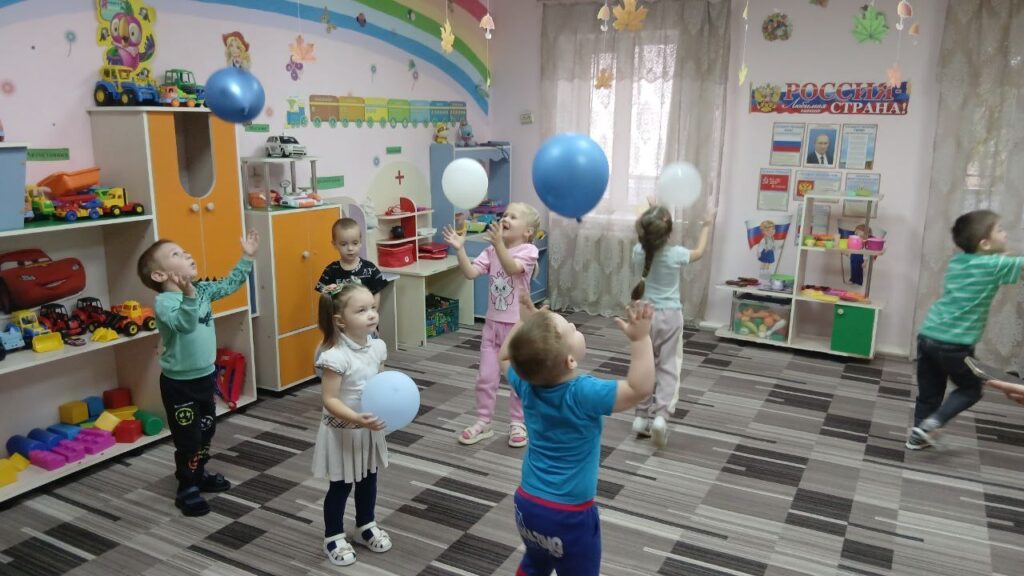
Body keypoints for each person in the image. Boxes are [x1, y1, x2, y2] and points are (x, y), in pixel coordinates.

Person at [500, 292, 654, 575]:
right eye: (571, 328)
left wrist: (524, 324)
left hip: (528, 504)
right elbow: (639, 389)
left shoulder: (526, 385)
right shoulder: (583, 393)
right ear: (570, 361)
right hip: (569, 515)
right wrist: (640, 339)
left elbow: (505, 356)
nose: (574, 326)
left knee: (536, 562)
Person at [136, 229, 259, 516]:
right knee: (188, 439)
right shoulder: (165, 303)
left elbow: (229, 284)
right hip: (179, 386)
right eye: (176, 254)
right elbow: (184, 324)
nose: (187, 254)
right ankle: (186, 487)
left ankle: (198, 473)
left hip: (205, 377)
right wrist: (190, 296)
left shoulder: (201, 290)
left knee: (205, 430)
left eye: (184, 250)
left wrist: (247, 257)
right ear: (160, 275)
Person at [907, 210, 1024, 449]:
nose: (1006, 234)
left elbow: (988, 263)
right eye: (1000, 230)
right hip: (955, 344)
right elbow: (1013, 264)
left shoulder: (958, 262)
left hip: (928, 335)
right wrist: (1004, 257)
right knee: (970, 389)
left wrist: (1000, 254)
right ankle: (934, 423)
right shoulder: (995, 264)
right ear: (985, 243)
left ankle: (918, 435)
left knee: (930, 392)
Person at [442, 202, 541, 447]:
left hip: (518, 328)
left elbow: (511, 268)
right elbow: (470, 273)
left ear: (528, 231)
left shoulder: (529, 251)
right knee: (485, 377)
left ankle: (518, 422)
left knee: (518, 379)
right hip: (492, 326)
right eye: (504, 215)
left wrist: (498, 246)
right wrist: (460, 250)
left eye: (513, 217)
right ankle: (484, 421)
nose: (505, 218)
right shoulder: (491, 250)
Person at [313, 282, 393, 566]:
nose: (371, 314)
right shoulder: (334, 356)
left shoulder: (377, 347)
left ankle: (365, 524)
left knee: (369, 479)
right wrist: (356, 418)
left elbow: (380, 383)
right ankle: (333, 536)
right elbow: (330, 399)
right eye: (361, 310)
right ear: (340, 321)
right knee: (341, 485)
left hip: (368, 429)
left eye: (373, 307)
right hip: (342, 431)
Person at [630, 203, 714, 447]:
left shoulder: (638, 251)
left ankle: (640, 417)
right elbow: (699, 251)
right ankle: (661, 417)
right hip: (670, 317)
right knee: (667, 366)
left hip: (643, 316)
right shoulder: (676, 254)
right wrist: (706, 225)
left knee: (644, 365)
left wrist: (649, 209)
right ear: (669, 232)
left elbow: (643, 229)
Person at [315, 218, 387, 307]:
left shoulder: (369, 268)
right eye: (343, 244)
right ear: (335, 245)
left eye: (355, 243)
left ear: (360, 243)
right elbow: (323, 292)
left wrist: (372, 311)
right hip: (340, 315)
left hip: (363, 314)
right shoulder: (330, 270)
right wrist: (328, 291)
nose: (350, 248)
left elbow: (376, 292)